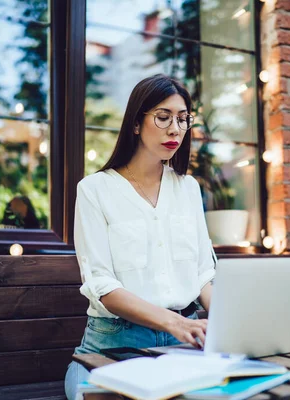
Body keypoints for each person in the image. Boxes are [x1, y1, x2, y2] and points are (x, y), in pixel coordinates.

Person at [64, 74, 217, 399]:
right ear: (136, 123)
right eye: (163, 117)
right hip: (113, 347)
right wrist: (173, 323)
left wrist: (230, 323)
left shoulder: (188, 189)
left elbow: (203, 274)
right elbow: (102, 285)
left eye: (182, 119)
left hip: (186, 345)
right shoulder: (94, 190)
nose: (175, 129)